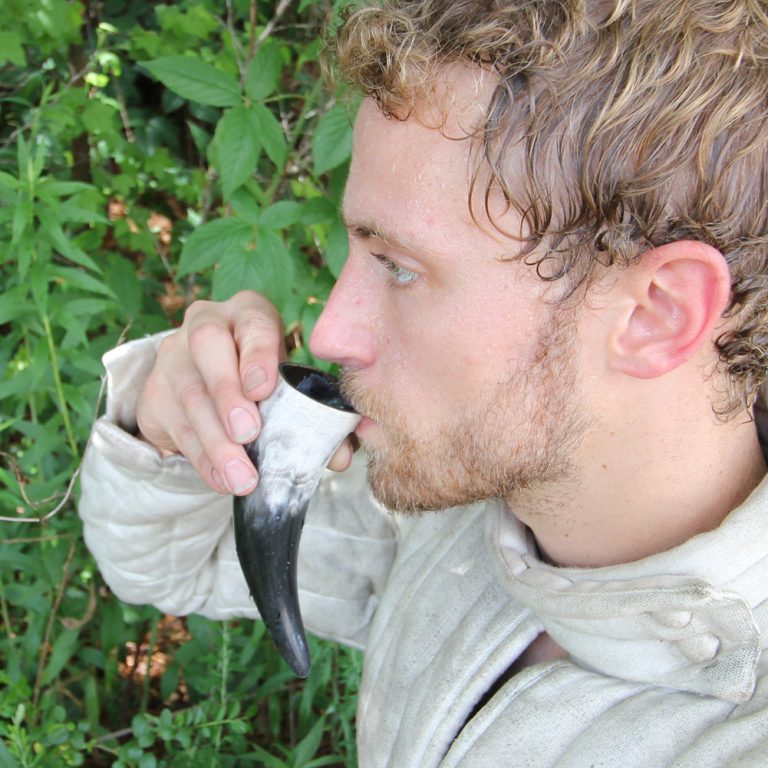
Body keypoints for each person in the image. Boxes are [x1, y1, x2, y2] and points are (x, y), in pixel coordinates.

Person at [79, 0, 768, 764]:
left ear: (656, 313)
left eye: (399, 267)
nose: (331, 331)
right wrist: (170, 426)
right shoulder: (454, 517)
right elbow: (167, 562)